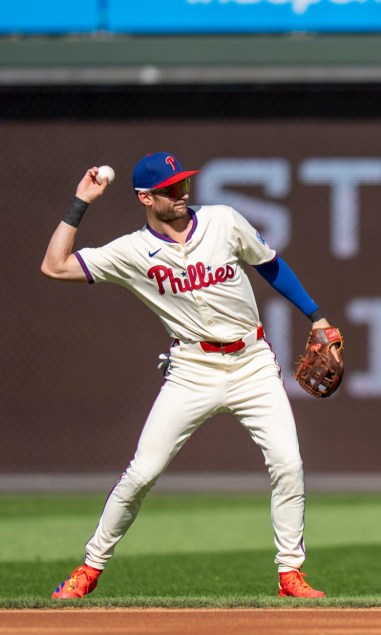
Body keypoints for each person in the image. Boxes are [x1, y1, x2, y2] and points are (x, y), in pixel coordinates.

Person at [42, 153, 329, 599]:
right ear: (145, 197)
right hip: (191, 370)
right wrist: (81, 202)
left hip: (252, 362)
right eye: (171, 189)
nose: (183, 194)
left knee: (288, 465)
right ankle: (90, 568)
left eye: (184, 185)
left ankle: (290, 573)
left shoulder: (223, 221)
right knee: (141, 474)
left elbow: (270, 263)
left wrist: (316, 317)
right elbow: (54, 266)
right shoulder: (131, 252)